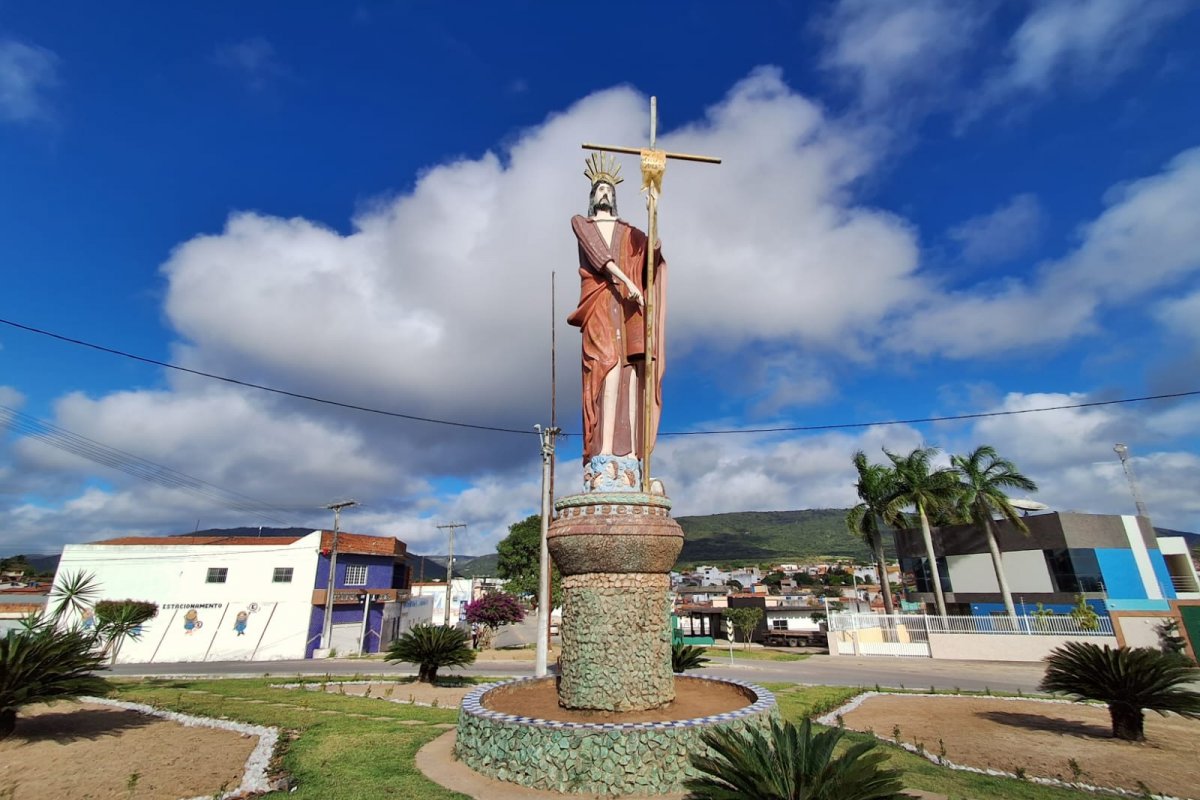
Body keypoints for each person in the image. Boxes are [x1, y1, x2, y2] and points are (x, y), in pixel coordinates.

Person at [568, 154, 666, 486]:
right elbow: (599, 256)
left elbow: (649, 258)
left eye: (610, 188)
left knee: (632, 375)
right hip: (599, 304)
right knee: (605, 367)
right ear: (593, 194)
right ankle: (602, 454)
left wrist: (653, 209)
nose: (605, 192)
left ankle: (630, 461)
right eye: (600, 188)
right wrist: (626, 281)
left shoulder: (630, 232)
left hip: (628, 308)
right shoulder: (582, 223)